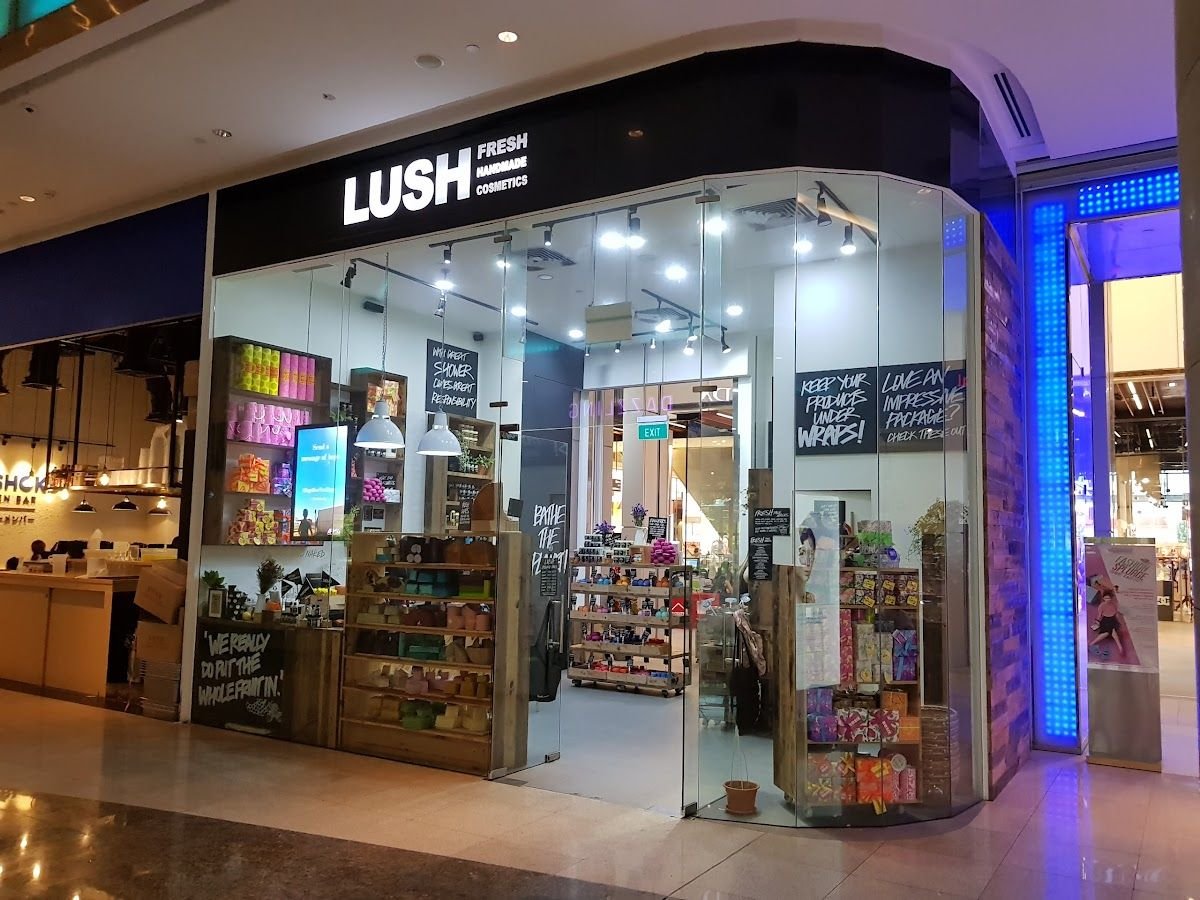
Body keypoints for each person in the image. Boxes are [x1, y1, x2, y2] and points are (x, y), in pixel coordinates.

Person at [1089, 589, 1124, 656]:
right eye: (1106, 598)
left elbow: (1116, 613)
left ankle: (1120, 647)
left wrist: (1118, 618)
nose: (1107, 600)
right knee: (1108, 632)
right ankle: (1092, 643)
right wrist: (1097, 622)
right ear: (1103, 598)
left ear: (1111, 598)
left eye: (1109, 598)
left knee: (1113, 632)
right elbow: (1099, 615)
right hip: (1105, 621)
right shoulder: (1101, 606)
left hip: (1113, 620)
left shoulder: (1114, 605)